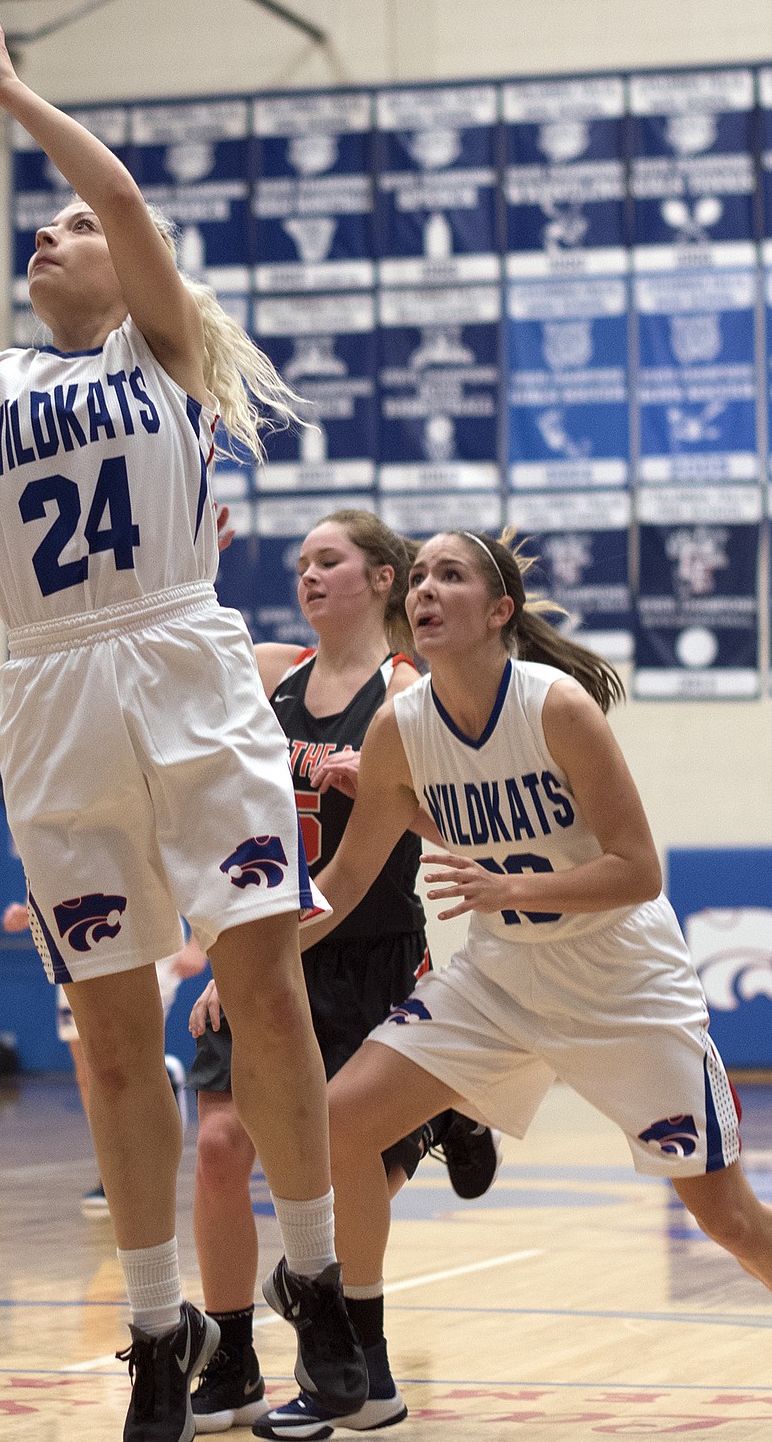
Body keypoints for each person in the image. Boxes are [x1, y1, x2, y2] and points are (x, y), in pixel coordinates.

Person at [0, 0, 369, 1442]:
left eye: (67, 229)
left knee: (261, 990)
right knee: (111, 1039)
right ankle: (152, 1325)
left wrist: (2, 83)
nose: (48, 234)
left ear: (126, 274)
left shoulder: (160, 351)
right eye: (34, 228)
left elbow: (113, 186)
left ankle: (313, 1278)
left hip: (180, 657)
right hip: (50, 686)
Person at [293, 529, 772, 1380]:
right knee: (341, 1120)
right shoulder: (398, 728)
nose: (426, 591)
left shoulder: (555, 706)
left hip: (621, 982)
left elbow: (638, 868)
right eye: (420, 579)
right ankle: (360, 1368)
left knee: (729, 1219)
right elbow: (347, 874)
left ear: (499, 609)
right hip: (501, 977)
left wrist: (508, 889)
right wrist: (243, 961)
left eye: (451, 576)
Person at [185, 510, 498, 1442]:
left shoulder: (410, 690)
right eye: (301, 563)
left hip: (368, 942)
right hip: (273, 936)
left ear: (384, 578)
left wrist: (398, 787)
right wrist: (192, 547)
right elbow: (188, 639)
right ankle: (232, 1356)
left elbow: (455, 826)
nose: (310, 576)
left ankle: (349, 1327)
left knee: (335, 1160)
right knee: (219, 1150)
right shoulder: (274, 672)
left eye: (330, 560)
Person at [2, 901, 206, 1215]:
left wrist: (199, 942)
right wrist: (31, 912)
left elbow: (181, 859)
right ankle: (112, 1173)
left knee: (129, 1057)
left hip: (143, 927)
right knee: (89, 1069)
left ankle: (141, 1163)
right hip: (74, 936)